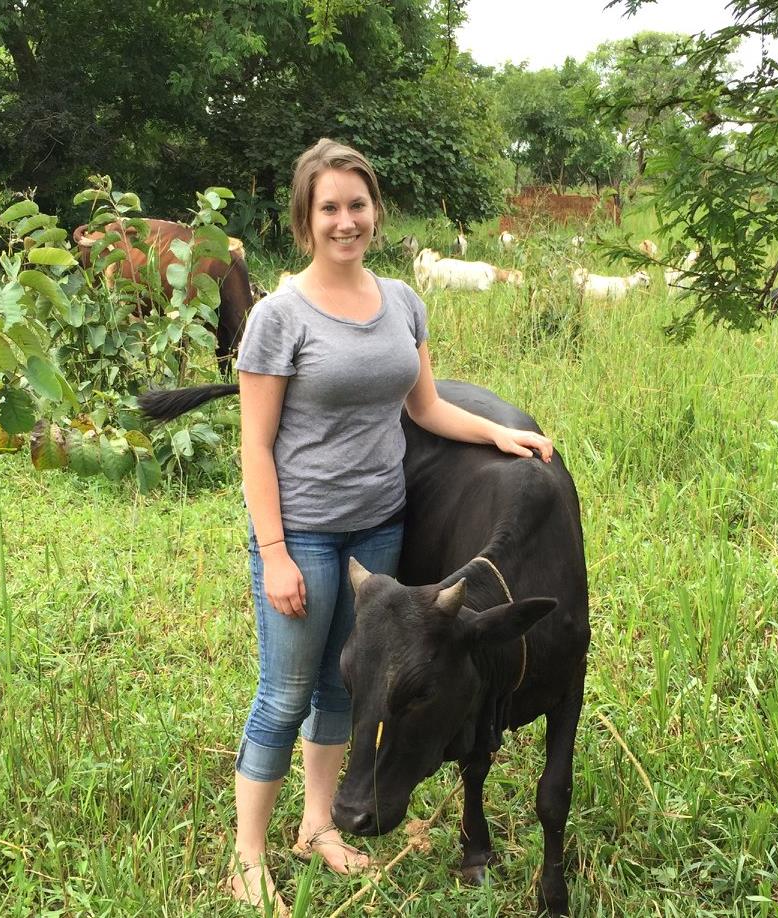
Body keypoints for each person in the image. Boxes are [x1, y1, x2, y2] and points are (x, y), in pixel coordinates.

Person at [228, 138, 553, 913]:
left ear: (375, 210)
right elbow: (254, 445)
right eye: (329, 208)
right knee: (285, 692)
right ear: (306, 220)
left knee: (352, 689)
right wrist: (274, 552)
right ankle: (246, 856)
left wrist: (500, 435)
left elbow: (427, 408)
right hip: (304, 532)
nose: (347, 221)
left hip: (379, 532)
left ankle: (317, 827)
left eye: (357, 205)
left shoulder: (403, 300)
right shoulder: (278, 317)